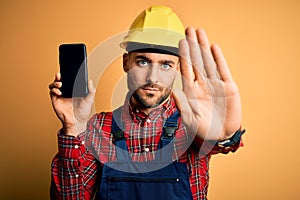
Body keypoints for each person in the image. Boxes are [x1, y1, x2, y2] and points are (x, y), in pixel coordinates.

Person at [49, 5, 245, 200]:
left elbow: (221, 143)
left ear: (178, 68)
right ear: (126, 62)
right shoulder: (99, 128)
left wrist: (225, 136)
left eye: (166, 65)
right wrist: (73, 127)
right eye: (143, 62)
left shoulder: (192, 123)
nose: (153, 78)